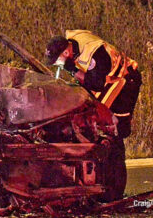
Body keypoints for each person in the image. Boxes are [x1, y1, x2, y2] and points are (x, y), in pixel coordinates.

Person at [45, 30, 142, 200]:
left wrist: (72, 68)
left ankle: (115, 188)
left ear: (66, 52)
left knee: (115, 132)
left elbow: (96, 84)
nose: (57, 64)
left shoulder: (94, 53)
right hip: (111, 83)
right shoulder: (73, 43)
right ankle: (99, 183)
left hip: (126, 83)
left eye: (58, 60)